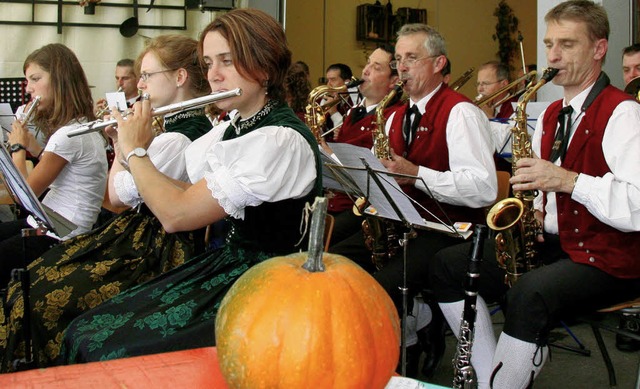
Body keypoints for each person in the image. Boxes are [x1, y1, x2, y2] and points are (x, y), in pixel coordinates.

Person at [57, 8, 322, 365]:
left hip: (267, 284)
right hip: (231, 266)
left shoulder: (278, 139)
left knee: (105, 346)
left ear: (264, 65)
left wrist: (135, 151)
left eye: (227, 61)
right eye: (209, 63)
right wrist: (131, 148)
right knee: (85, 329)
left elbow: (175, 215)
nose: (214, 75)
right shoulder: (234, 127)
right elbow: (181, 191)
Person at [431, 2, 640, 388]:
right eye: (549, 44)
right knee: (448, 266)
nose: (553, 56)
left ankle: (506, 379)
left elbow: (636, 206)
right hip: (555, 244)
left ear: (599, 49)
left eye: (567, 44)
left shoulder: (624, 113)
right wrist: (537, 212)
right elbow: (546, 190)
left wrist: (566, 181)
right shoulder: (548, 114)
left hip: (611, 257)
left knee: (530, 292)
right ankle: (493, 367)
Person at [0, 34, 213, 372]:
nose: (140, 84)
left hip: (153, 246)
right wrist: (119, 140)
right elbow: (119, 193)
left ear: (179, 78)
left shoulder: (177, 138)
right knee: (35, 278)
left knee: (41, 294)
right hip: (135, 234)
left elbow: (117, 196)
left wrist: (127, 146)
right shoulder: (167, 130)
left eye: (147, 75)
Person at [329, 23, 497, 378]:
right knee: (336, 263)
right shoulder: (396, 115)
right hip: (404, 220)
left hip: (449, 228)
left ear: (439, 64)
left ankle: (385, 365)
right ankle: (405, 336)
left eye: (412, 59)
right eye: (399, 59)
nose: (402, 67)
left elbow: (483, 188)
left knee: (380, 286)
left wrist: (417, 174)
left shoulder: (461, 113)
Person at [0, 44, 108, 287]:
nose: (28, 88)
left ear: (59, 80)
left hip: (61, 236)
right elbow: (65, 171)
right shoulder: (78, 128)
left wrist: (17, 148)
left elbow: (25, 196)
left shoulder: (68, 135)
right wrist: (34, 148)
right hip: (50, 223)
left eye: (35, 79)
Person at [324, 45, 402, 248]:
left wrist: (327, 152)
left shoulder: (394, 115)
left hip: (362, 208)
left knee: (325, 246)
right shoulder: (353, 112)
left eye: (376, 67)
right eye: (368, 63)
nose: (365, 71)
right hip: (337, 199)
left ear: (394, 81)